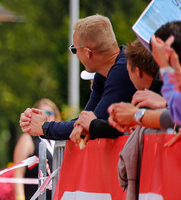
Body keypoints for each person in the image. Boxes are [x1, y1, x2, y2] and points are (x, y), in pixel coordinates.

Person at [19, 15, 135, 146]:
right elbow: (86, 120)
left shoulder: (122, 69)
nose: (75, 55)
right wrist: (45, 125)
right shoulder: (103, 73)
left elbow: (94, 122)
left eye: (74, 49)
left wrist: (44, 127)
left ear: (87, 52)